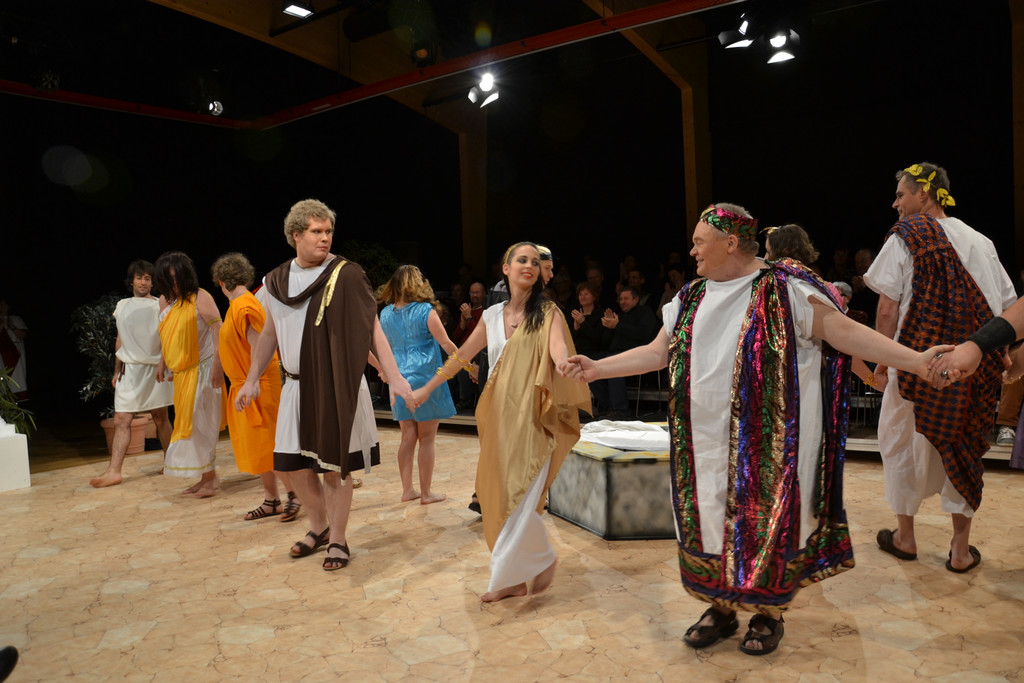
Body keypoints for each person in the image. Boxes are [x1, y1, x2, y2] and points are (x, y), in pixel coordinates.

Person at [562, 203, 951, 655]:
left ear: (730, 243)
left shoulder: (786, 289)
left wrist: (916, 361)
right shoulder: (690, 296)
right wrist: (597, 368)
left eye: (699, 242)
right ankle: (721, 607)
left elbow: (845, 333)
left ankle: (768, 613)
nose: (692, 251)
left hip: (769, 444)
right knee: (709, 519)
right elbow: (656, 353)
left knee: (764, 521)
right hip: (703, 442)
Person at [235, 198, 412, 571]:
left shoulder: (346, 275)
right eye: (316, 231)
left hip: (335, 387)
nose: (325, 238)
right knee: (292, 466)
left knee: (334, 468)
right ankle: (319, 526)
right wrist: (251, 379)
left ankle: (338, 540)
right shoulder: (275, 281)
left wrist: (393, 374)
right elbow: (270, 333)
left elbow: (371, 328)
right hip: (295, 386)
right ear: (295, 235)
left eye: (328, 231)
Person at [409, 242, 590, 602]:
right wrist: (428, 387)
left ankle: (535, 561)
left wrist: (564, 363)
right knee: (495, 495)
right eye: (521, 260)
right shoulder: (492, 316)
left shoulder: (548, 313)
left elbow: (557, 350)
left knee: (522, 495)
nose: (529, 265)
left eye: (535, 261)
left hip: (533, 416)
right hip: (497, 416)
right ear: (506, 269)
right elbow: (462, 355)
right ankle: (516, 576)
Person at [864, 162, 1016, 573]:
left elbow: (887, 309)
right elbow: (1005, 309)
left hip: (916, 366)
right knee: (966, 448)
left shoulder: (905, 235)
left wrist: (882, 363)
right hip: (973, 369)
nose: (895, 204)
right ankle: (960, 552)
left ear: (924, 194)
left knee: (901, 443)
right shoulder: (982, 242)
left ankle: (905, 538)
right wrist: (1001, 353)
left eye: (901, 195)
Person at [212, 252, 301, 520]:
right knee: (259, 447)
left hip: (258, 383)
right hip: (249, 383)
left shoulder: (244, 306)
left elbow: (257, 346)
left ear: (221, 282)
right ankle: (271, 500)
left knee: (269, 444)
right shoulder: (239, 305)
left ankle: (295, 495)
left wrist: (251, 383)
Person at [89, 260, 174, 488]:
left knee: (161, 418)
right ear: (131, 281)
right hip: (130, 370)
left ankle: (171, 463)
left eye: (147, 278)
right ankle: (114, 471)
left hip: (155, 369)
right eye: (139, 278)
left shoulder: (159, 305)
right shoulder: (122, 305)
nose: (143, 282)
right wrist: (116, 370)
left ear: (153, 282)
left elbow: (168, 337)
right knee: (121, 419)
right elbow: (120, 339)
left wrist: (165, 365)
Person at [378, 265, 457, 505]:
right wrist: (468, 366)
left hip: (399, 379)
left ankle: (407, 490)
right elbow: (446, 343)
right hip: (425, 377)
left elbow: (384, 348)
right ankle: (426, 493)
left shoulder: (385, 314)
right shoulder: (426, 311)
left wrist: (385, 372)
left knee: (407, 436)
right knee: (427, 438)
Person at [154, 251, 226, 498]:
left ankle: (211, 479)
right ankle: (206, 477)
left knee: (202, 424)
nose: (174, 284)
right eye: (169, 279)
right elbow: (166, 335)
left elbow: (218, 330)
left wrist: (218, 365)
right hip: (183, 374)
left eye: (178, 278)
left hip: (204, 370)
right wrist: (162, 363)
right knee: (192, 427)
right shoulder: (165, 301)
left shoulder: (200, 297)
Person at [592, 286, 658, 418]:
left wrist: (618, 326)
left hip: (637, 355)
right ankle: (606, 406)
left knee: (614, 363)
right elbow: (605, 343)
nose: (622, 302)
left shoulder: (645, 312)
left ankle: (620, 409)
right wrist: (608, 327)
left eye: (626, 298)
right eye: (620, 299)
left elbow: (644, 335)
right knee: (590, 363)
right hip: (615, 353)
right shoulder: (619, 316)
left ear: (636, 300)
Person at [452, 281, 486, 411]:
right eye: (472, 292)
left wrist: (469, 318)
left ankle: (465, 399)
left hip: (478, 350)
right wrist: (462, 324)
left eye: (477, 292)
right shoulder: (467, 311)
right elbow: (455, 338)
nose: (474, 295)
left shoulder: (486, 311)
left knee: (463, 363)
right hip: (462, 348)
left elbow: (480, 334)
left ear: (484, 293)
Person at [0, 299, 28, 401]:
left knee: (17, 384)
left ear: (8, 306)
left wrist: (12, 326)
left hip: (15, 356)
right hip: (1, 357)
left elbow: (22, 335)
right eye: (0, 304)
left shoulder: (16, 319)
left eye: (4, 304)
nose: (2, 307)